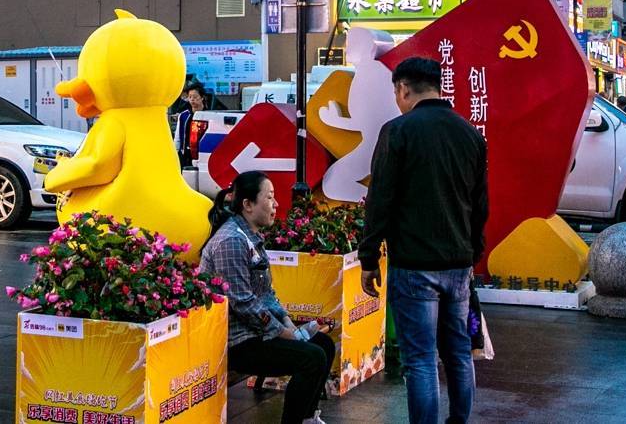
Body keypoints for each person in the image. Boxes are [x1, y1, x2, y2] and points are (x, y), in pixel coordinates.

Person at [358, 56, 486, 424]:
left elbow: (380, 199)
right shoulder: (470, 134)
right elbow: (481, 204)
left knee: (421, 360)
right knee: (459, 352)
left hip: (414, 264)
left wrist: (369, 257)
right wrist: (473, 253)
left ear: (403, 88)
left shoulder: (398, 131)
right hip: (459, 263)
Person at [198, 171, 336, 424]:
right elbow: (243, 304)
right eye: (270, 198)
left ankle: (307, 418)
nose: (276, 204)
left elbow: (266, 294)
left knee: (323, 344)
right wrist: (284, 334)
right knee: (311, 358)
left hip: (255, 333)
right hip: (236, 341)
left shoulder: (250, 237)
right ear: (248, 205)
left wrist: (288, 324)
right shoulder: (231, 242)